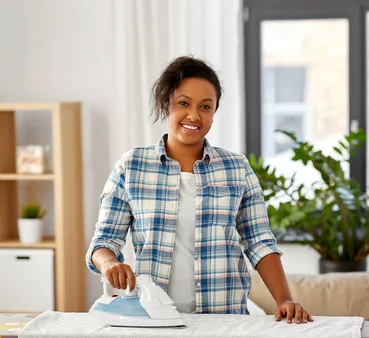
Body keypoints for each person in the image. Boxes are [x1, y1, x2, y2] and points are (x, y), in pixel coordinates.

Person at [86, 56, 312, 324]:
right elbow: (103, 243)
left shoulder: (236, 168)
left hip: (224, 320)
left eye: (205, 107)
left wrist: (284, 299)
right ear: (166, 103)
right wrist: (110, 264)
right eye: (184, 103)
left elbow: (259, 241)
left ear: (214, 113)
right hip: (153, 321)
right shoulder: (131, 167)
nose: (194, 115)